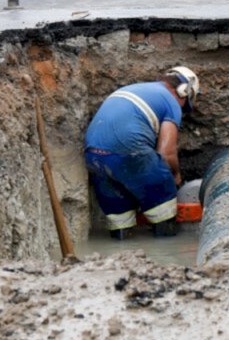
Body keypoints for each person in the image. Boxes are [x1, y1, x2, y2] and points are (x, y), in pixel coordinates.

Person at [84, 66, 200, 239]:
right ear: (184, 91)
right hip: (128, 151)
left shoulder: (134, 89)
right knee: (163, 203)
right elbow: (166, 153)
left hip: (93, 157)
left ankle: (118, 252)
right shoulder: (170, 100)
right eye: (185, 104)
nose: (182, 109)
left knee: (120, 218)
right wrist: (175, 175)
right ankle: (166, 250)